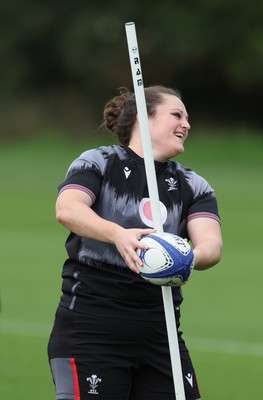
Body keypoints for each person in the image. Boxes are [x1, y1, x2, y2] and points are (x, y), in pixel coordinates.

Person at [47, 85, 222, 400]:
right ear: (144, 116)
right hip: (92, 328)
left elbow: (211, 245)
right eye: (177, 115)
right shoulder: (99, 161)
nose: (187, 125)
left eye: (187, 118)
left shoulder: (194, 185)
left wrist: (189, 257)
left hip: (162, 331)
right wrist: (117, 234)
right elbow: (68, 209)